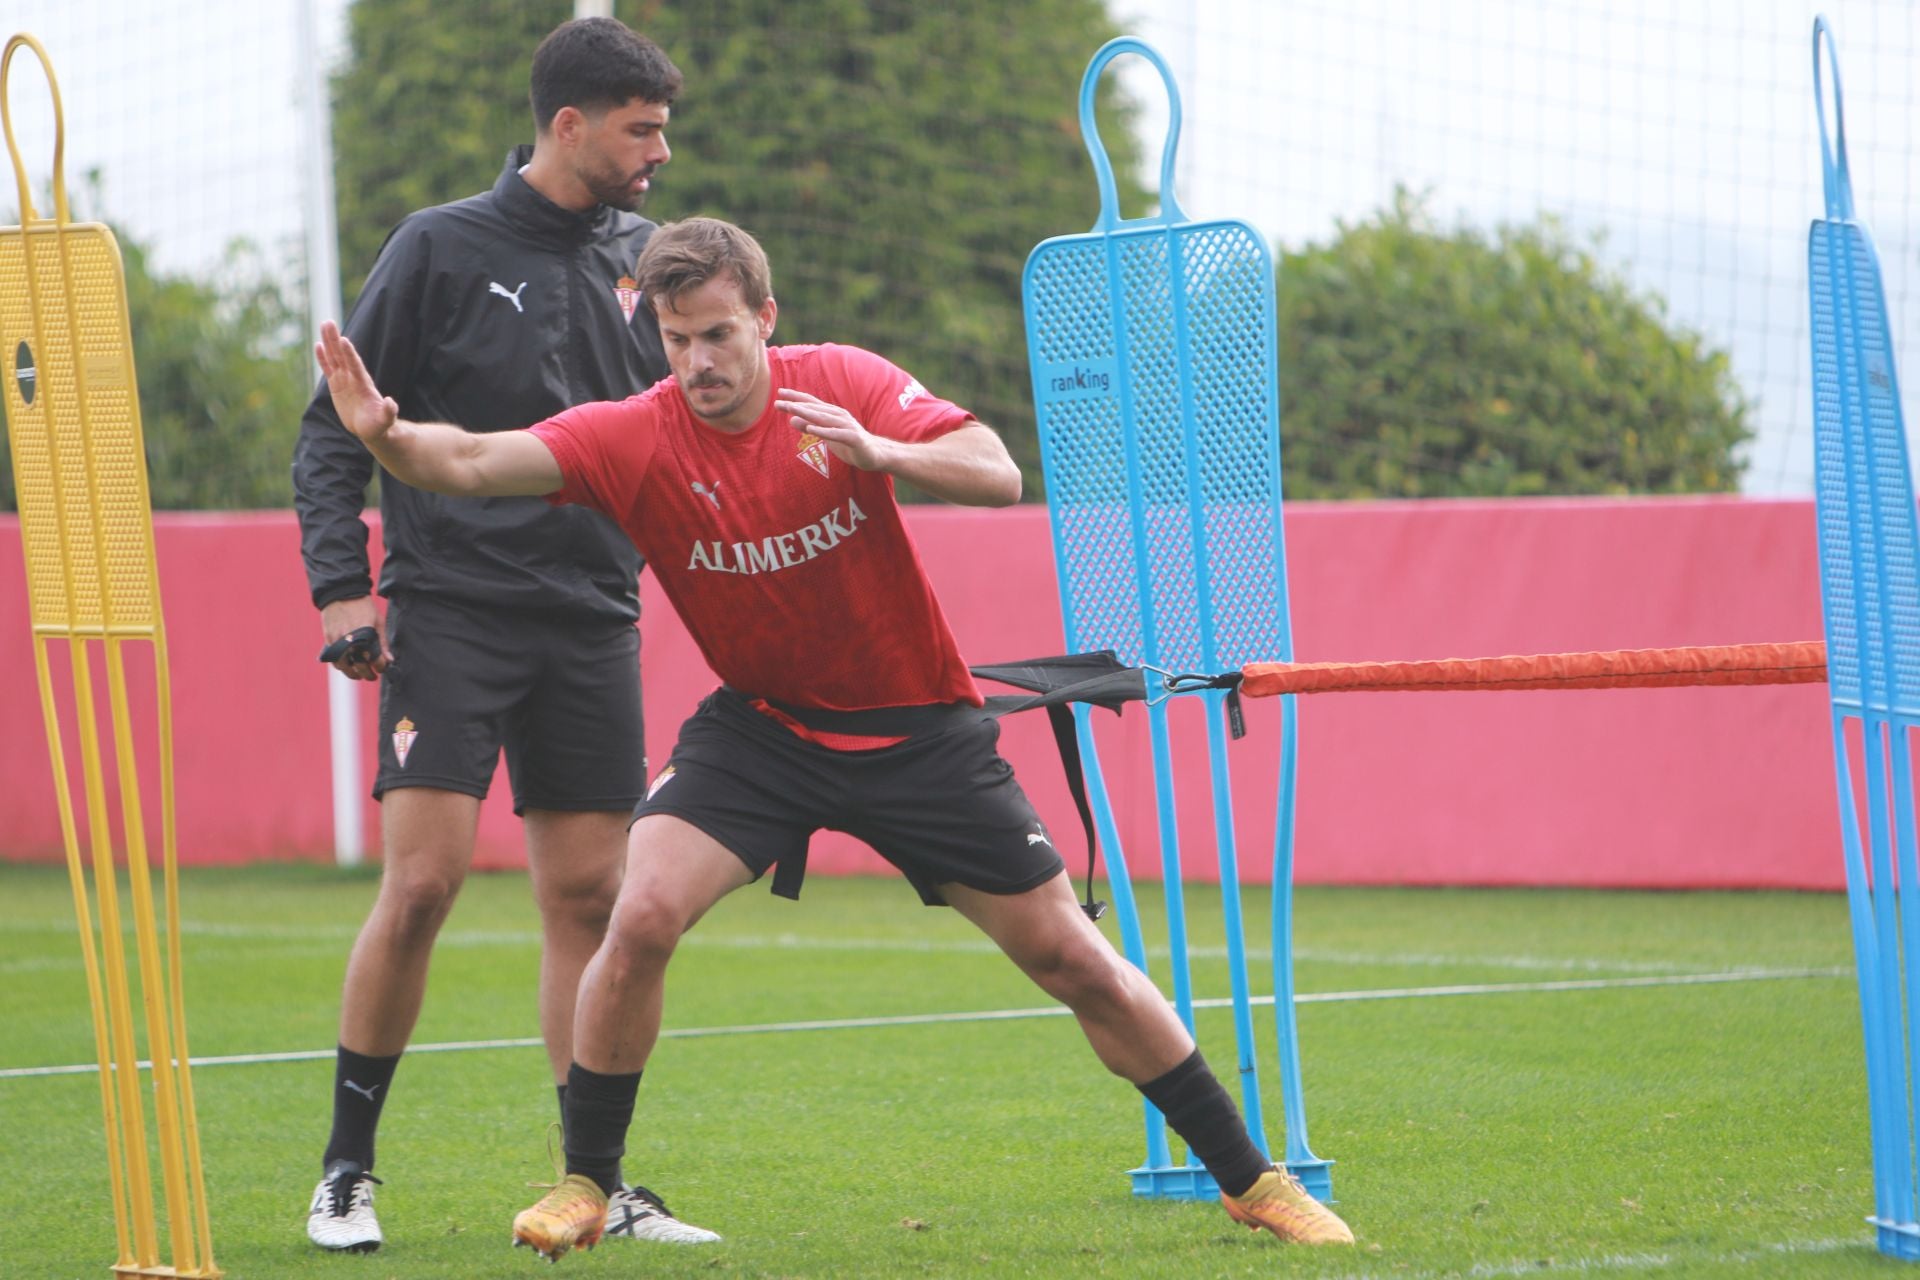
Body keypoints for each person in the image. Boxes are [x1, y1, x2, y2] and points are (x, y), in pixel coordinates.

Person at [311, 216, 1358, 1260]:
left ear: (765, 318)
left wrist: (883, 452)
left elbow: (995, 471)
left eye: (718, 334)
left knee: (1072, 957)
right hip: (762, 731)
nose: (698, 362)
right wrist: (388, 439)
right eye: (676, 341)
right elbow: (480, 460)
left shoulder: (843, 383)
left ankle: (1252, 1178)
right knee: (638, 912)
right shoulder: (637, 432)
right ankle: (589, 1180)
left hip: (918, 732)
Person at [290, 17, 717, 1252]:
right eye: (644, 129)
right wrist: (342, 590)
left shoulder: (651, 259)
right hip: (453, 614)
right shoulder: (436, 246)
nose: (662, 152)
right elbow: (337, 432)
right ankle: (344, 1174)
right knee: (421, 884)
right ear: (570, 123)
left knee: (590, 895)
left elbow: (688, 427)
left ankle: (596, 1183)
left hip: (592, 618)